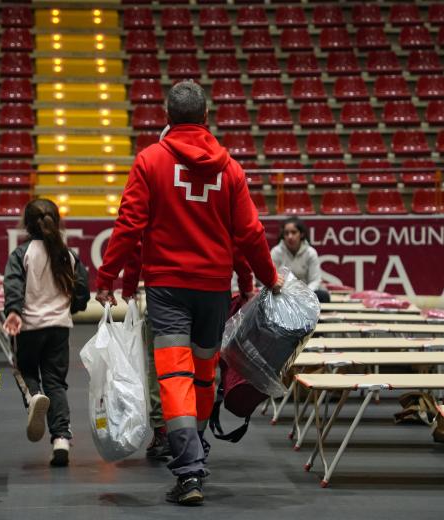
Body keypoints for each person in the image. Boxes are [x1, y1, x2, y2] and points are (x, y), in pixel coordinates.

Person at [95, 80, 282, 506]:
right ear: (205, 118)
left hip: (168, 289)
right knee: (201, 374)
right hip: (214, 289)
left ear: (167, 117)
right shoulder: (230, 168)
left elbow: (129, 228)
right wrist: (263, 279)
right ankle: (195, 451)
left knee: (174, 375)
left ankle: (189, 469)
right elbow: (249, 234)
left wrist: (108, 278)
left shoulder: (150, 161)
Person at [121, 243, 255, 461]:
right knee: (203, 368)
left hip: (167, 291)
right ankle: (196, 436)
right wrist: (245, 281)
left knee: (166, 369)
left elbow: (137, 241)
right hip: (210, 291)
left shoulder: (158, 207)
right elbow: (239, 236)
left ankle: (166, 433)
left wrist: (128, 284)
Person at [3, 198, 76, 467]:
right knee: (56, 383)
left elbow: (13, 283)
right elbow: (81, 290)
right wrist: (71, 308)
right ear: (56, 222)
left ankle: (33, 397)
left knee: (24, 370)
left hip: (30, 328)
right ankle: (61, 439)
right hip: (59, 328)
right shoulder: (67, 254)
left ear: (26, 225)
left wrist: (13, 310)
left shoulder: (21, 254)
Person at [270, 217, 330, 303]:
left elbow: (315, 280)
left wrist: (303, 294)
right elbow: (272, 279)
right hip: (283, 295)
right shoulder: (276, 252)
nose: (290, 236)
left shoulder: (310, 253)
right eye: (286, 233)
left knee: (323, 296)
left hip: (306, 296)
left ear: (301, 234)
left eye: (294, 232)